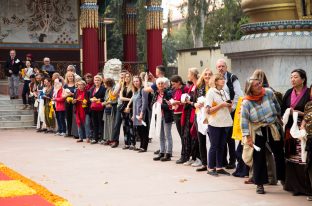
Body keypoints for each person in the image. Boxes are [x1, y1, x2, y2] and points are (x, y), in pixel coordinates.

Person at [241, 77, 284, 194]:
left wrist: (279, 118)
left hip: (272, 126)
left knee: (279, 152)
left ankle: (283, 178)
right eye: (256, 85)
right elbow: (244, 121)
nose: (260, 86)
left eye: (259, 83)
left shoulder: (269, 93)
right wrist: (248, 137)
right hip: (258, 130)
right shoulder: (246, 102)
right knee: (258, 157)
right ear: (250, 89)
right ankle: (259, 184)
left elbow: (276, 106)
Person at [282, 69, 311, 196]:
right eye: (291, 77)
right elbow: (282, 109)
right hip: (290, 128)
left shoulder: (309, 93)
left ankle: (305, 188)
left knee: (302, 158)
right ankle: (293, 186)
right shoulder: (289, 93)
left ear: (303, 79)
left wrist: (301, 114)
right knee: (290, 156)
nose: (292, 79)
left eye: (295, 77)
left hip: (303, 128)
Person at [216, 59, 243, 169]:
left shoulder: (232, 78)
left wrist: (232, 108)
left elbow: (238, 94)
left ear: (226, 67)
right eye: (219, 66)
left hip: (230, 111)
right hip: (219, 112)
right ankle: (223, 161)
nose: (221, 68)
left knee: (230, 138)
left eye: (222, 66)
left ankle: (232, 161)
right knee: (221, 137)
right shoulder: (216, 78)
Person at [206, 73, 232, 176]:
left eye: (223, 79)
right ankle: (210, 168)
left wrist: (230, 105)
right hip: (214, 123)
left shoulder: (225, 92)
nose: (223, 80)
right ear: (216, 81)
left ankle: (219, 167)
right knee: (214, 146)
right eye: (221, 79)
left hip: (225, 122)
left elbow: (229, 110)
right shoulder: (211, 92)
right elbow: (208, 110)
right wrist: (221, 105)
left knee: (222, 146)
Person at [181, 68, 201, 166]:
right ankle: (192, 157)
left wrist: (190, 102)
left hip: (195, 112)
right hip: (189, 113)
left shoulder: (198, 85)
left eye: (189, 73)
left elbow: (198, 100)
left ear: (193, 74)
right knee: (188, 136)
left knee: (195, 136)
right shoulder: (192, 85)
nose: (188, 75)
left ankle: (198, 158)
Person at [194, 68, 213, 171]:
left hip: (211, 116)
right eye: (205, 74)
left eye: (209, 74)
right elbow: (193, 102)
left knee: (212, 141)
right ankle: (204, 163)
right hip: (199, 115)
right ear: (202, 75)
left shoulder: (214, 87)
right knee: (201, 140)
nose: (207, 76)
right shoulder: (198, 87)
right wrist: (196, 104)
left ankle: (213, 163)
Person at [151, 77, 174, 161]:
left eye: (162, 83)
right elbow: (152, 104)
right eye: (159, 84)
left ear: (165, 85)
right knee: (161, 135)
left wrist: (160, 106)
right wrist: (155, 106)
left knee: (167, 135)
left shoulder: (168, 93)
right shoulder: (156, 93)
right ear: (157, 85)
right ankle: (162, 152)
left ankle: (168, 153)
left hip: (167, 116)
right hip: (158, 116)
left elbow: (171, 106)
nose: (160, 85)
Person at [170, 75, 188, 163]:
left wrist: (179, 103)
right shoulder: (175, 90)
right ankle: (185, 154)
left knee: (184, 136)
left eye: (174, 84)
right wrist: (172, 102)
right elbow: (174, 99)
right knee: (181, 136)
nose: (172, 86)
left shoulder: (185, 89)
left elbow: (187, 101)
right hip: (176, 114)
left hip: (182, 114)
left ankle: (184, 155)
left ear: (179, 82)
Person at [132, 75, 150, 152]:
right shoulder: (136, 91)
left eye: (137, 81)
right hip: (136, 114)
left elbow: (144, 102)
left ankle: (144, 147)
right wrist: (133, 115)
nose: (135, 83)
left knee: (144, 130)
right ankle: (141, 145)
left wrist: (142, 113)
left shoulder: (143, 90)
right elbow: (134, 104)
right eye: (134, 81)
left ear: (140, 82)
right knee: (139, 130)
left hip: (142, 113)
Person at [111, 70, 127, 148]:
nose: (122, 77)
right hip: (120, 105)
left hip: (128, 106)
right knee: (117, 123)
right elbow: (114, 94)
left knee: (127, 124)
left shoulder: (130, 84)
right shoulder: (118, 84)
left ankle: (128, 141)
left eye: (124, 76)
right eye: (121, 76)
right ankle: (115, 141)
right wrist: (120, 85)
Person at [100, 78, 117, 145]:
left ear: (108, 83)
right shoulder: (107, 90)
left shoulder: (113, 89)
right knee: (106, 124)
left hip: (112, 109)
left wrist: (105, 103)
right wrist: (103, 102)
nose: (104, 85)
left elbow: (114, 99)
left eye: (105, 83)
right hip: (106, 109)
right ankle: (107, 138)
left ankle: (112, 139)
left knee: (112, 124)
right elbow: (105, 99)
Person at [89, 75, 106, 144]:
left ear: (101, 81)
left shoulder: (103, 88)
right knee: (94, 123)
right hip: (93, 108)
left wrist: (99, 99)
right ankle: (95, 138)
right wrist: (91, 99)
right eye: (95, 80)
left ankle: (102, 138)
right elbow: (90, 97)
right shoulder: (92, 88)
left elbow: (105, 98)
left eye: (98, 80)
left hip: (100, 108)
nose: (96, 81)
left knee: (101, 123)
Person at [121, 72, 134, 149]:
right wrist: (130, 99)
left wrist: (129, 104)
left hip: (131, 107)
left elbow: (134, 96)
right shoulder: (123, 86)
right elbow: (121, 98)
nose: (126, 78)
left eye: (128, 76)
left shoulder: (132, 86)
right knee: (124, 126)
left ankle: (132, 143)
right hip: (123, 107)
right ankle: (127, 143)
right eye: (125, 77)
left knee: (131, 126)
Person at [63, 71, 76, 137]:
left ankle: (74, 132)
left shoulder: (76, 84)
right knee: (68, 117)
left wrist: (72, 94)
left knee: (74, 117)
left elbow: (77, 94)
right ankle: (69, 132)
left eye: (71, 76)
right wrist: (66, 96)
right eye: (69, 76)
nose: (70, 77)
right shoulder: (65, 85)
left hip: (74, 102)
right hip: (67, 102)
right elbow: (63, 95)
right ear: (67, 77)